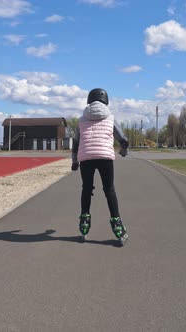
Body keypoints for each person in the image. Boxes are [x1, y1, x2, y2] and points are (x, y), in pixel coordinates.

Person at [71, 88, 129, 245]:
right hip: (105, 157)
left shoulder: (81, 120)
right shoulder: (110, 118)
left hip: (86, 158)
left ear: (89, 101)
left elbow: (75, 144)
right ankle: (118, 227)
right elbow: (122, 139)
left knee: (87, 189)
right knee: (109, 190)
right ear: (106, 101)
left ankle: (84, 224)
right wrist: (123, 151)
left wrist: (74, 162)